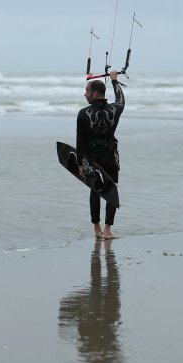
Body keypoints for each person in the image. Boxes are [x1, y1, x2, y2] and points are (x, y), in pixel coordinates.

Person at [76, 70, 125, 239]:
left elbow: (80, 141)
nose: (85, 94)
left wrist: (80, 163)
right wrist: (114, 80)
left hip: (92, 159)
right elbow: (121, 98)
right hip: (111, 157)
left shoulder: (83, 114)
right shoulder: (115, 109)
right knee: (111, 191)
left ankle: (97, 229)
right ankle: (108, 230)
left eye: (87, 91)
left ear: (95, 94)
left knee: (95, 191)